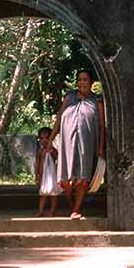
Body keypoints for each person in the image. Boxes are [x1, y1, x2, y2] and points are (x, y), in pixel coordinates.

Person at [50, 69, 105, 220]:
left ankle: (75, 209)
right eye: (79, 80)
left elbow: (101, 126)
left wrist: (101, 148)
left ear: (91, 83)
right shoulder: (69, 97)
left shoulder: (97, 101)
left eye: (85, 80)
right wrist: (50, 140)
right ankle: (72, 204)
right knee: (65, 180)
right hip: (67, 145)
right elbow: (59, 119)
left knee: (82, 178)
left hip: (86, 145)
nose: (82, 83)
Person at [35, 126, 61, 216]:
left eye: (47, 138)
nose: (44, 140)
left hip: (52, 177)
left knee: (53, 194)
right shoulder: (40, 151)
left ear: (51, 138)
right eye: (42, 138)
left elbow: (58, 159)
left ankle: (52, 211)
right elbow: (37, 164)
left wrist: (52, 152)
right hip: (43, 177)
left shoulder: (53, 150)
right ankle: (41, 211)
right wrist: (36, 175)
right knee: (43, 194)